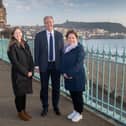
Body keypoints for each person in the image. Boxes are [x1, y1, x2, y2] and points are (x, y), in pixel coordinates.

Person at [34, 16, 64, 117]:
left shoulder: (59, 35)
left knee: (56, 88)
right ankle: (45, 107)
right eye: (47, 22)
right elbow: (36, 51)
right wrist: (36, 65)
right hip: (44, 65)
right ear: (44, 24)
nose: (49, 24)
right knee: (44, 88)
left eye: (50, 22)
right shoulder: (39, 36)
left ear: (53, 23)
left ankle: (56, 106)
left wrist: (63, 65)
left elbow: (61, 52)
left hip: (56, 66)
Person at [7, 27, 34, 121]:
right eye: (16, 33)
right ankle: (20, 112)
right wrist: (26, 72)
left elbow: (30, 58)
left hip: (26, 74)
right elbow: (15, 63)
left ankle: (24, 110)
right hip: (18, 75)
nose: (18, 34)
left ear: (22, 33)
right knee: (19, 94)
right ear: (13, 35)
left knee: (24, 93)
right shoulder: (12, 47)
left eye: (19, 32)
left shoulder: (25, 44)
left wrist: (31, 70)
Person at [61, 30, 86, 122]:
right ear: (67, 39)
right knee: (73, 95)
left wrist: (70, 74)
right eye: (69, 38)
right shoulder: (66, 48)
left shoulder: (80, 48)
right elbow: (62, 62)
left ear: (76, 38)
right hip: (68, 76)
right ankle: (75, 111)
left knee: (78, 95)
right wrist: (63, 72)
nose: (71, 39)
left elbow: (79, 64)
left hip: (77, 76)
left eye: (73, 38)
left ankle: (79, 113)